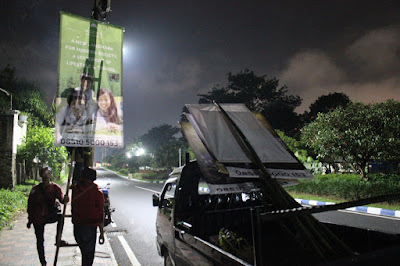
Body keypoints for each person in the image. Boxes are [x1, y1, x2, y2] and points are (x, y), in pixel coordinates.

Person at [27, 167, 69, 266]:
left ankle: (58, 238)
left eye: (48, 173)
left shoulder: (55, 188)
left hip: (50, 215)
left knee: (61, 217)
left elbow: (62, 200)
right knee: (40, 241)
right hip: (38, 218)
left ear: (51, 175)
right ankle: (43, 262)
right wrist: (30, 220)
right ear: (41, 175)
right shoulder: (35, 190)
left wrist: (66, 199)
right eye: (44, 174)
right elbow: (30, 205)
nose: (46, 176)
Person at [72, 167, 105, 266]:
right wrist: (101, 232)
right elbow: (100, 213)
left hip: (77, 227)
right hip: (90, 228)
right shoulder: (97, 192)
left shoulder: (75, 189)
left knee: (84, 252)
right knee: (88, 257)